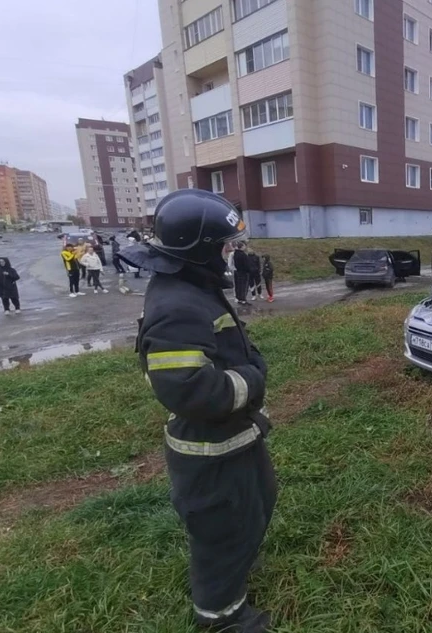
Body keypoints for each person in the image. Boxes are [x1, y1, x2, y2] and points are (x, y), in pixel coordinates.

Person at [121, 189, 275, 633]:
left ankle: (240, 559)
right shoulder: (178, 306)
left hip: (234, 438)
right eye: (225, 246)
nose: (231, 254)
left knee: (256, 504)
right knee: (222, 528)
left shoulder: (190, 286)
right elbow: (189, 390)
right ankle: (221, 617)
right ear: (201, 248)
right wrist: (254, 379)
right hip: (210, 447)